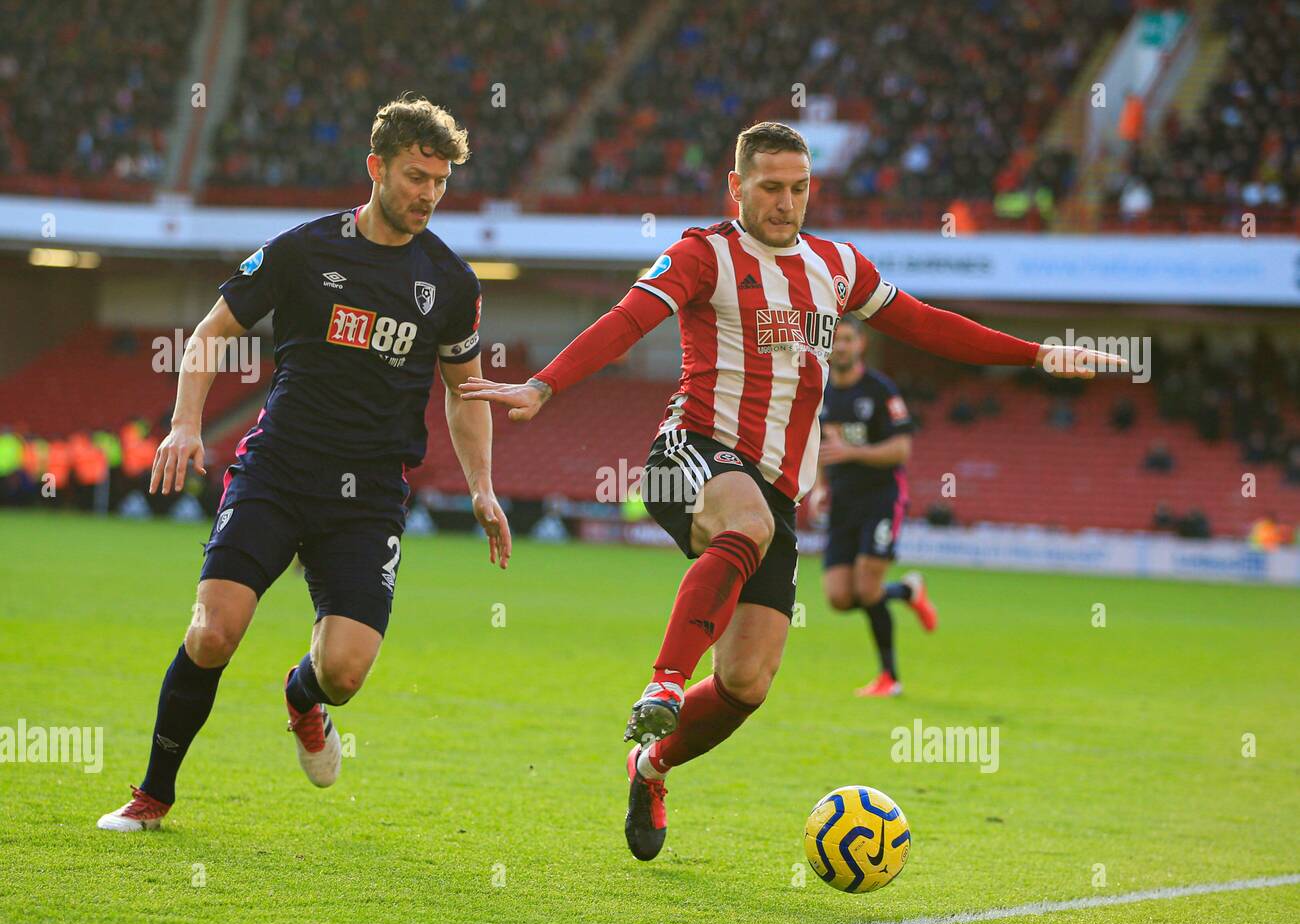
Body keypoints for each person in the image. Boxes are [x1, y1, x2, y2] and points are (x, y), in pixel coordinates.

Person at [459, 121, 1123, 862]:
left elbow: (928, 324)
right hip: (689, 451)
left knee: (746, 682)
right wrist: (547, 384)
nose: (785, 202)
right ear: (736, 187)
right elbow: (628, 318)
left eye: (799, 187)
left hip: (774, 493)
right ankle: (665, 683)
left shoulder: (836, 266)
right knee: (744, 526)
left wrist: (1035, 354)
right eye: (770, 187)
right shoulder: (701, 252)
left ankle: (651, 765)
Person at [98, 94, 511, 831]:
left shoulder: (451, 284)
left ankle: (302, 695)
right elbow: (209, 332)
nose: (429, 194)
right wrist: (184, 424)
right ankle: (152, 795)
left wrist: (482, 487)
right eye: (417, 176)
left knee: (345, 672)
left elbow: (465, 389)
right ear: (376, 167)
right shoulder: (302, 250)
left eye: (441, 182)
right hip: (278, 471)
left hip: (370, 493)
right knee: (213, 630)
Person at [807, 318, 936, 697]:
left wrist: (853, 452)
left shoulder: (880, 391)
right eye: (835, 341)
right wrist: (819, 487)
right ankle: (908, 592)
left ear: (861, 344)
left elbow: (901, 450)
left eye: (848, 340)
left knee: (866, 588)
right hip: (843, 502)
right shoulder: (822, 393)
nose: (841, 347)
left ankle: (889, 678)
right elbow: (818, 445)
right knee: (839, 597)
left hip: (881, 498)